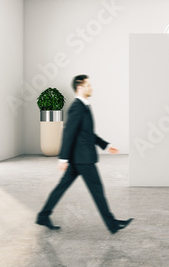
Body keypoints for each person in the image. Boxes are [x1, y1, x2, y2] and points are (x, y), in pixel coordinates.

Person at [36, 74, 132, 234]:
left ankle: (43, 216)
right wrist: (63, 158)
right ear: (79, 87)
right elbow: (68, 133)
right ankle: (112, 224)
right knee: (97, 191)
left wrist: (106, 145)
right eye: (88, 85)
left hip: (78, 158)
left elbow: (87, 134)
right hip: (83, 159)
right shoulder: (77, 107)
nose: (91, 88)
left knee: (62, 187)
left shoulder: (85, 106)